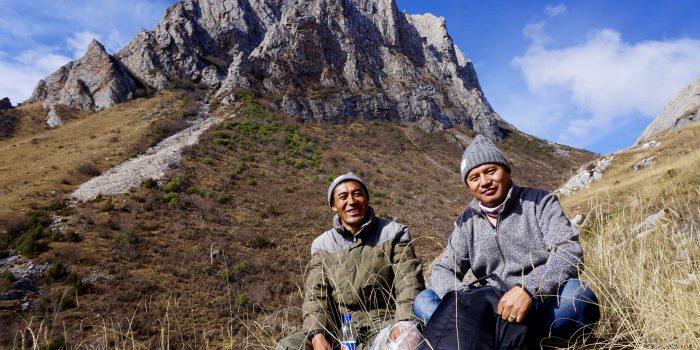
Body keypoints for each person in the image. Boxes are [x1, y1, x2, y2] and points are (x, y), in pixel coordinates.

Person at [414, 135, 600, 340]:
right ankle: (499, 337)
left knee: (577, 296)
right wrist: (470, 301)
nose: (485, 182)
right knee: (424, 300)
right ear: (468, 186)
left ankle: (502, 338)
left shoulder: (539, 201)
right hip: (486, 311)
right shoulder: (466, 222)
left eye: (491, 171)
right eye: (474, 178)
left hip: (536, 305)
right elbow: (444, 269)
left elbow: (568, 250)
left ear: (507, 170)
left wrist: (529, 289)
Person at [277, 173, 424, 350]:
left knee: (404, 341)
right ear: (333, 206)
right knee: (291, 345)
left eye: (357, 194)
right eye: (343, 197)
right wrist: (317, 333)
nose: (351, 201)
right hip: (341, 330)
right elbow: (316, 296)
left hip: (386, 323)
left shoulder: (393, 233)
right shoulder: (323, 245)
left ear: (367, 199)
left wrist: (404, 323)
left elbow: (409, 282)